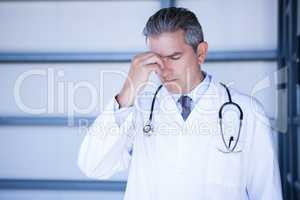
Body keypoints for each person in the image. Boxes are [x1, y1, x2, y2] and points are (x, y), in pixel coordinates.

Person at [78, 7, 282, 200]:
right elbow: (93, 165)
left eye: (174, 57)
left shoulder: (247, 111)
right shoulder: (137, 107)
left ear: (201, 52)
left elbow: (267, 192)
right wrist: (127, 90)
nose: (163, 70)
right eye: (156, 59)